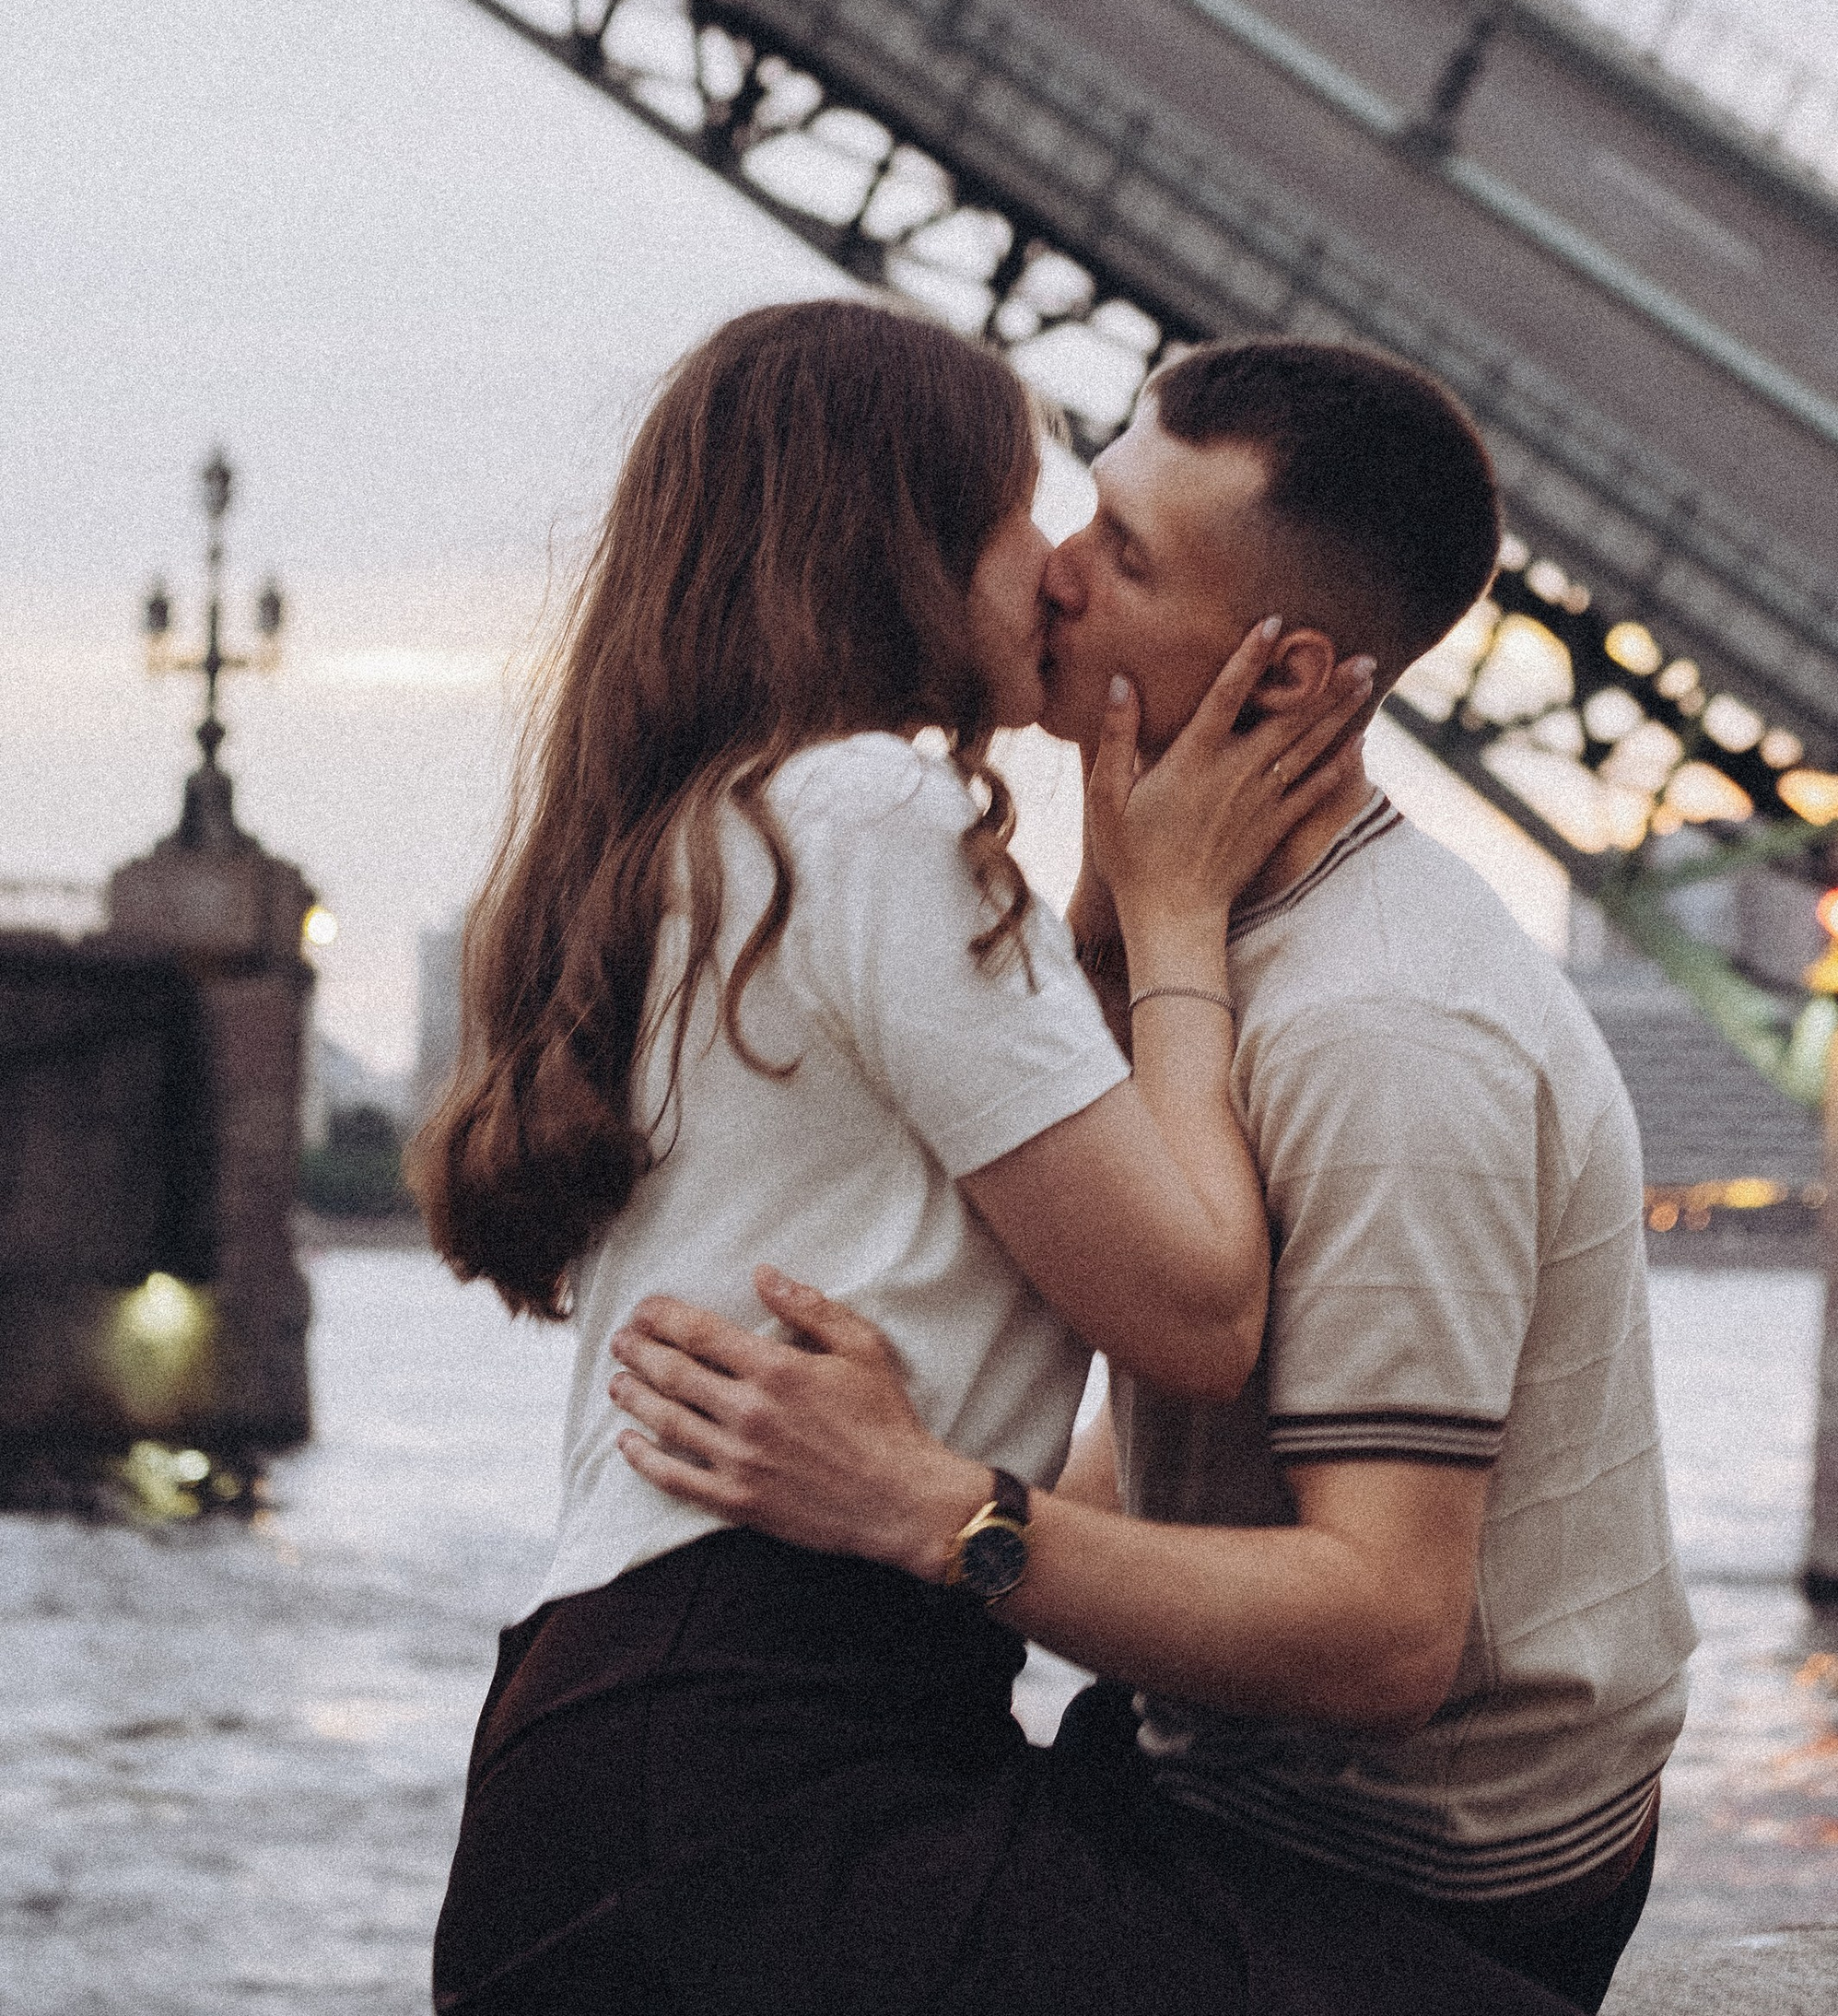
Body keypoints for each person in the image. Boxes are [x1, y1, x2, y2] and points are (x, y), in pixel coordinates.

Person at [413, 299, 1567, 2016]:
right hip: (760, 1775)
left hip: (663, 1744)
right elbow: (1193, 1309)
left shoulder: (728, 823)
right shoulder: (879, 818)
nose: (1055, 569)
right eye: (1028, 513)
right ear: (902, 543)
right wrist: (1172, 919)